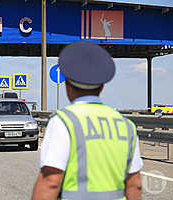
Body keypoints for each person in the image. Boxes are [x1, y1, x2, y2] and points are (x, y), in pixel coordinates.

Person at [32, 41, 143, 200]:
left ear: (68, 85)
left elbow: (51, 181)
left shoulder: (63, 122)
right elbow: (134, 184)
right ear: (102, 86)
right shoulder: (126, 126)